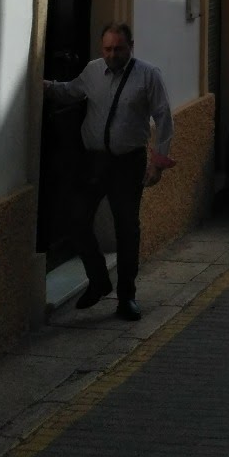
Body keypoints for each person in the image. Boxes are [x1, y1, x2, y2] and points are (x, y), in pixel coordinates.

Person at [42, 22, 175, 321]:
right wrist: (45, 86)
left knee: (126, 229)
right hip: (94, 162)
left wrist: (158, 162)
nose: (112, 55)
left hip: (128, 163)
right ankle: (99, 280)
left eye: (118, 49)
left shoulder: (148, 75)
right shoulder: (92, 71)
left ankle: (127, 297)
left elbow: (164, 117)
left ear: (131, 47)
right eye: (107, 49)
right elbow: (70, 92)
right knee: (76, 220)